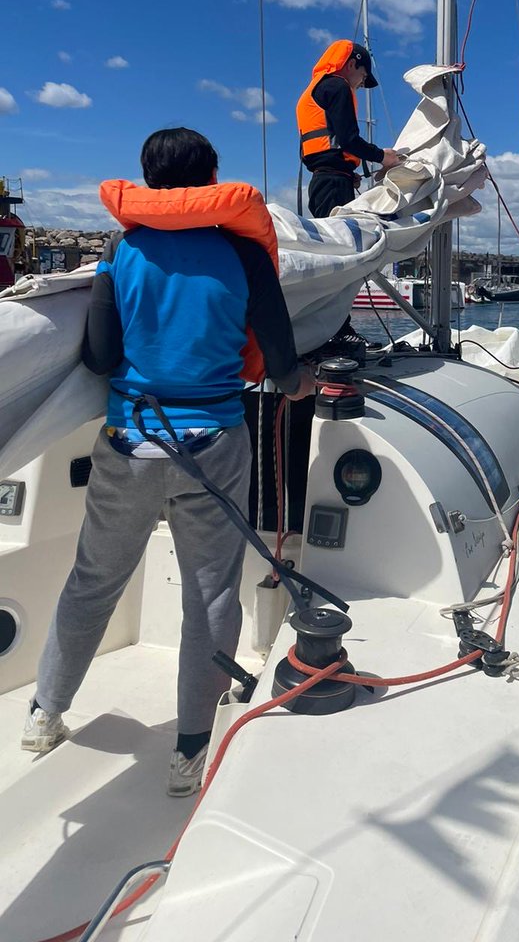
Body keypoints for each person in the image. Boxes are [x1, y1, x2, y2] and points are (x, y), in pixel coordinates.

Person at [21, 128, 314, 796]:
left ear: (148, 183)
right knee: (210, 593)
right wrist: (301, 384)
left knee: (94, 580)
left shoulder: (121, 249)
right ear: (211, 181)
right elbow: (280, 358)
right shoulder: (244, 254)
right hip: (213, 442)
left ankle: (45, 713)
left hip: (129, 441)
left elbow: (98, 354)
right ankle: (189, 751)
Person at [296, 39, 402, 348]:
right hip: (332, 183)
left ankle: (334, 329)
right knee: (340, 257)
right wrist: (383, 157)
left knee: (334, 254)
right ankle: (339, 332)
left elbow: (325, 146)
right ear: (353, 63)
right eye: (362, 78)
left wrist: (346, 171)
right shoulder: (337, 86)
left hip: (326, 179)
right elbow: (348, 138)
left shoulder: (315, 89)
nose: (359, 85)